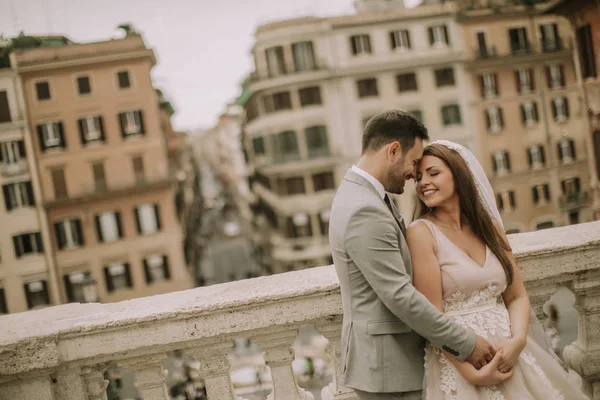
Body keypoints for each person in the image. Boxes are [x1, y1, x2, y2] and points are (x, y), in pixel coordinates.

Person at [329, 110, 496, 400]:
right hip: (388, 367)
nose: (414, 174)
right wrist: (467, 344)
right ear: (393, 150)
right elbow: (400, 296)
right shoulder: (364, 209)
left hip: (388, 362)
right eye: (414, 162)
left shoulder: (366, 195)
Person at [408, 140, 588, 399]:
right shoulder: (421, 233)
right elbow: (432, 316)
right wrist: (472, 374)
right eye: (417, 177)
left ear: (459, 175)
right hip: (461, 365)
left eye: (433, 173)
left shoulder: (490, 227)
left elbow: (516, 296)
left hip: (513, 356)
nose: (423, 182)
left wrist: (518, 342)